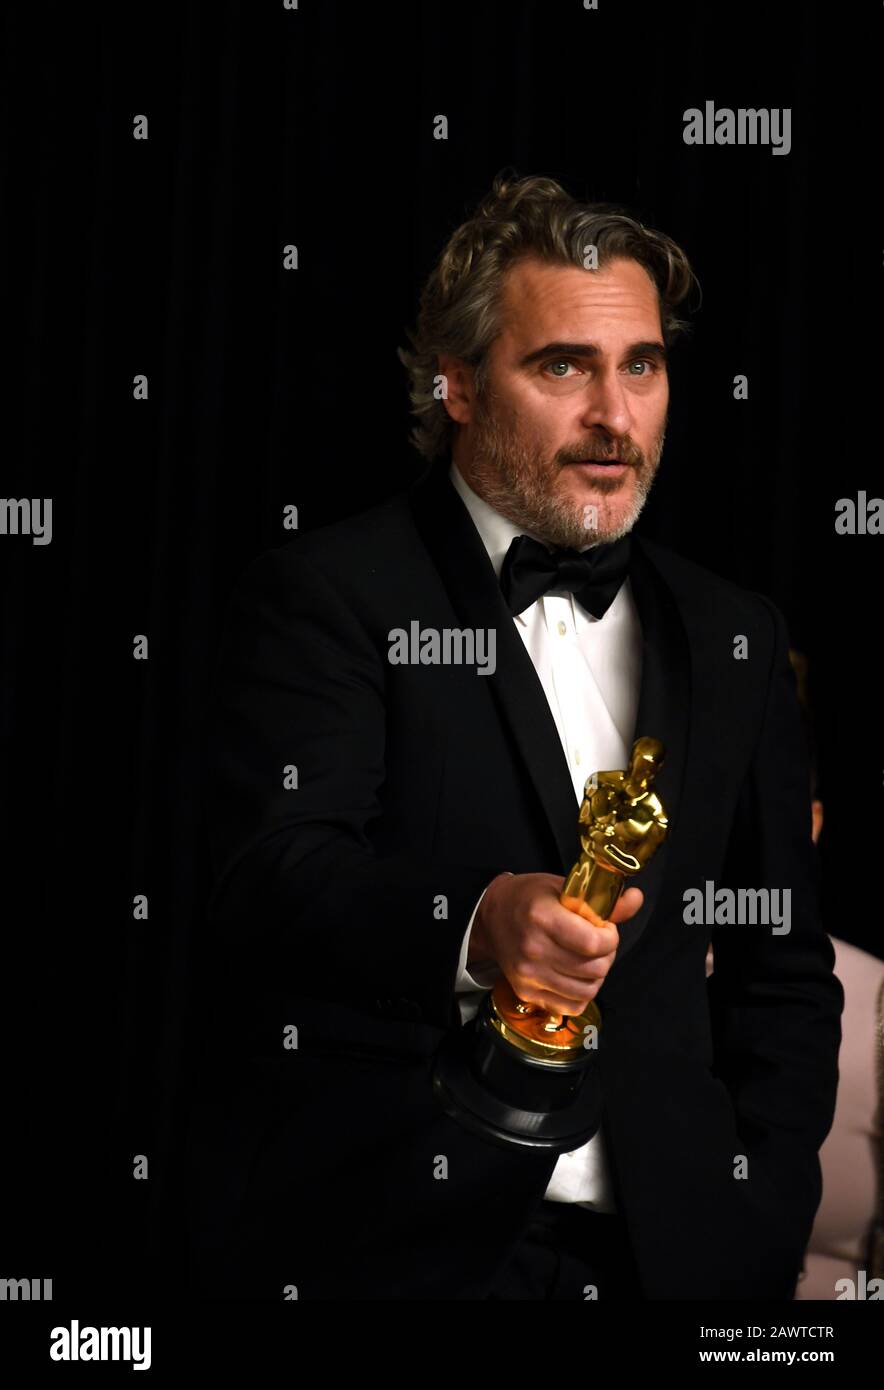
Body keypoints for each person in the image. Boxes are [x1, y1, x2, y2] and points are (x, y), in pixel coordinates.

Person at [184, 172, 843, 1301]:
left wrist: (759, 1219)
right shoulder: (328, 592)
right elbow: (267, 879)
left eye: (640, 363)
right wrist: (474, 921)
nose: (612, 413)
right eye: (561, 367)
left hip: (675, 1263)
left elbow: (778, 965)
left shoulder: (736, 632)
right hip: (402, 1256)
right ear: (455, 383)